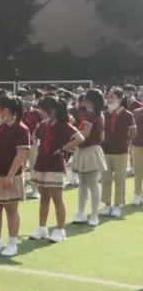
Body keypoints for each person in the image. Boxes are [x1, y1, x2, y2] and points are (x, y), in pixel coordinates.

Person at [0, 96, 32, 257]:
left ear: (7, 111)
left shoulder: (21, 129)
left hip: (10, 176)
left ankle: (12, 243)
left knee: (11, 209)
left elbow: (21, 155)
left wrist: (10, 176)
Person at [30, 95, 82, 243]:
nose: (40, 111)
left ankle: (60, 230)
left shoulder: (63, 124)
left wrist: (63, 149)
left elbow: (79, 138)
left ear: (51, 109)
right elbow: (34, 136)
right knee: (44, 198)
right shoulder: (43, 124)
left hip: (56, 165)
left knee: (57, 199)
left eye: (42, 109)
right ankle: (42, 228)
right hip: (42, 163)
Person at [71, 89, 107, 227]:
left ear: (91, 100)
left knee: (91, 184)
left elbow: (85, 134)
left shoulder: (92, 115)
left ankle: (94, 214)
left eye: (86, 98)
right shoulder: (91, 114)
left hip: (90, 150)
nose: (83, 100)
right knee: (83, 184)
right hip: (85, 150)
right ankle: (81, 213)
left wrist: (70, 139)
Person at [100, 87, 136, 218]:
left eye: (112, 97)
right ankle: (107, 205)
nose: (109, 100)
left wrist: (126, 142)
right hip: (105, 151)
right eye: (108, 97)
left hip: (121, 152)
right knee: (106, 179)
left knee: (120, 180)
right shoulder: (103, 114)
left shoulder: (128, 114)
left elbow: (133, 132)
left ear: (120, 99)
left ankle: (117, 205)